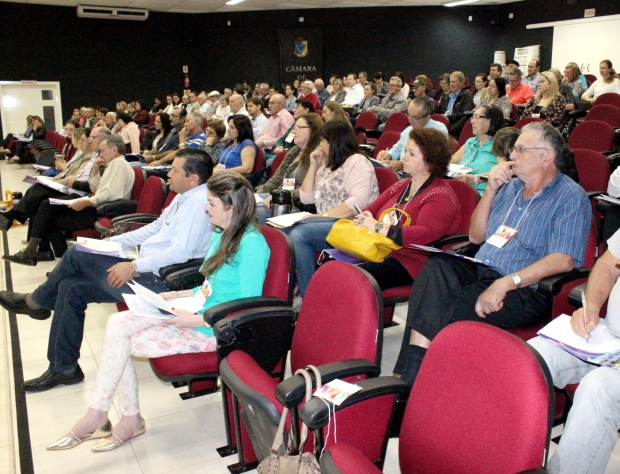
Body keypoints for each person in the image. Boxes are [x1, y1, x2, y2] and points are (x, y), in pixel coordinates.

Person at [40, 171, 268, 452]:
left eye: (211, 204)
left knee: (120, 339)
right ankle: (109, 415)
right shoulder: (222, 234)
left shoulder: (252, 244)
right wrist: (178, 294)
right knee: (118, 328)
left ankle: (113, 417)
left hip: (218, 329)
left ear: (231, 207)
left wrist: (194, 318)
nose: (205, 208)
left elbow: (246, 306)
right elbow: (211, 286)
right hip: (198, 311)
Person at [394, 122, 591, 386]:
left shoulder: (569, 196)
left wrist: (506, 284)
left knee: (436, 304)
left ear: (547, 157)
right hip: (481, 267)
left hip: (523, 289)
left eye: (521, 149)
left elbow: (563, 259)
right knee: (436, 267)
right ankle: (414, 381)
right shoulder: (510, 188)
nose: (512, 156)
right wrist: (489, 190)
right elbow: (476, 236)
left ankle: (409, 384)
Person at [0, 150, 215, 392]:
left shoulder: (200, 203)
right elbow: (155, 229)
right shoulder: (183, 196)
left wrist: (133, 266)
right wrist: (114, 243)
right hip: (149, 268)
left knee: (76, 252)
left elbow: (180, 254)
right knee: (70, 287)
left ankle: (36, 303)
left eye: (175, 170)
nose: (169, 173)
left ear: (193, 178)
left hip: (165, 285)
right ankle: (64, 368)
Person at [528, 228, 620, 473]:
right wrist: (591, 307)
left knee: (598, 387)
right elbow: (609, 265)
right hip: (609, 336)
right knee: (532, 356)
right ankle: (515, 458)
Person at [355, 128, 462, 291]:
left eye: (411, 154)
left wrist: (377, 226)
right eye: (405, 151)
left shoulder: (440, 195)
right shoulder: (403, 184)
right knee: (332, 263)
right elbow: (371, 209)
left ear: (430, 161)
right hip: (381, 248)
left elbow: (425, 234)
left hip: (411, 261)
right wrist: (366, 217)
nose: (403, 157)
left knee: (351, 275)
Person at [285, 120, 380, 300]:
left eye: (322, 140)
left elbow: (358, 201)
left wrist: (321, 217)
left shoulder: (356, 161)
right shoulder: (326, 167)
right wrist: (313, 166)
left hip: (353, 224)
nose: (320, 145)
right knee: (283, 230)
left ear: (334, 141)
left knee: (299, 235)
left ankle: (310, 297)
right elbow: (306, 197)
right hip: (326, 222)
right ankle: (288, 286)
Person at [0, 127, 99, 259]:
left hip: (80, 195)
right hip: (72, 188)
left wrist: (57, 182)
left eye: (85, 140)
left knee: (43, 200)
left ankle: (14, 220)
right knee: (39, 194)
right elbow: (69, 174)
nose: (83, 142)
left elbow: (85, 183)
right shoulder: (87, 156)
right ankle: (41, 249)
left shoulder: (94, 159)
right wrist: (52, 180)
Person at [256, 113, 322, 221]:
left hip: (297, 205)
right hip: (278, 198)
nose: (294, 131)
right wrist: (257, 195)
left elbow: (309, 190)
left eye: (299, 128)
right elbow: (276, 178)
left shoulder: (317, 155)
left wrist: (280, 196)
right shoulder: (294, 151)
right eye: (294, 128)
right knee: (244, 206)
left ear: (313, 130)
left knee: (251, 213)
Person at [377, 97, 449, 172]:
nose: (409, 120)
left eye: (415, 118)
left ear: (428, 117)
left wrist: (401, 164)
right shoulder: (408, 130)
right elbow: (397, 149)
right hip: (404, 172)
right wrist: (388, 155)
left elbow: (430, 160)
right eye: (408, 115)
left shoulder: (438, 130)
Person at [451, 104, 505, 194]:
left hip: (481, 195)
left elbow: (503, 173)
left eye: (477, 117)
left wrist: (474, 179)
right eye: (472, 117)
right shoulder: (471, 142)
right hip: (458, 190)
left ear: (491, 121)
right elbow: (451, 162)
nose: (471, 121)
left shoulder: (499, 144)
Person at [434, 71, 474, 138]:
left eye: (454, 82)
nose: (451, 84)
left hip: (455, 128)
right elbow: (436, 111)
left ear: (461, 83)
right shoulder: (445, 97)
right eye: (450, 82)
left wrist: (448, 117)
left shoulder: (467, 97)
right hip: (442, 125)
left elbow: (464, 114)